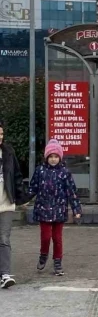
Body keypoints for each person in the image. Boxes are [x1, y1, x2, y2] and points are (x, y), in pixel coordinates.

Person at [28, 139, 82, 276]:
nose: (53, 159)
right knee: (46, 237)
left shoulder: (65, 172)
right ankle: (43, 255)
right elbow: (32, 188)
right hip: (43, 209)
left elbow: (72, 192)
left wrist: (76, 210)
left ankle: (57, 262)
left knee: (57, 238)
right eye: (50, 156)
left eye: (56, 156)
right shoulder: (40, 171)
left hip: (59, 209)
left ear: (60, 157)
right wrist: (21, 199)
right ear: (46, 157)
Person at [0, 121, 28, 288]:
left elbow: (17, 176)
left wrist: (21, 198)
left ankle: (4, 274)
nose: (0, 138)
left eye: (2, 134)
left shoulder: (8, 152)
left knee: (4, 238)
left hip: (6, 203)